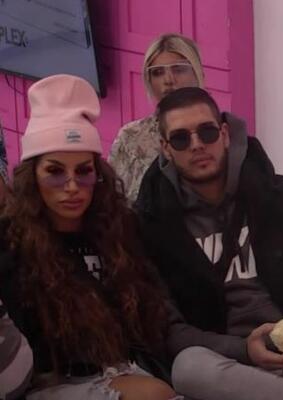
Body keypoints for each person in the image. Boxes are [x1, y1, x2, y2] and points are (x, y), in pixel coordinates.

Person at [135, 87, 283, 400]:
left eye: (207, 132)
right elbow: (169, 331)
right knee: (189, 366)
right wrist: (244, 350)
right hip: (224, 361)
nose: (197, 145)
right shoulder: (153, 225)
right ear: (166, 149)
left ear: (224, 134)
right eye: (181, 139)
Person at [0, 75, 179, 400]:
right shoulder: (13, 243)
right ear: (32, 177)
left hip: (124, 369)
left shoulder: (118, 228)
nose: (71, 186)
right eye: (55, 171)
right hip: (49, 383)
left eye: (83, 171)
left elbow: (151, 319)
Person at [109, 33, 205, 201]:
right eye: (158, 72)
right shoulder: (131, 136)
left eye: (178, 69)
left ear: (199, 74)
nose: (168, 80)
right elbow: (111, 199)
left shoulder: (218, 134)